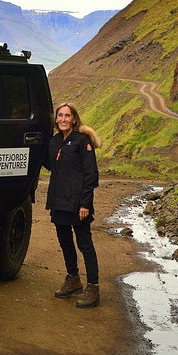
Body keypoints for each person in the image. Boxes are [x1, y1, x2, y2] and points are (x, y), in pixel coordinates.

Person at [43, 103, 102, 308]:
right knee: (65, 241)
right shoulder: (54, 141)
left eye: (67, 116)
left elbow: (91, 174)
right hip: (59, 200)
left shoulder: (82, 141)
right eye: (60, 115)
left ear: (74, 119)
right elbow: (50, 165)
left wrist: (85, 203)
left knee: (84, 244)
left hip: (77, 203)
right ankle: (73, 279)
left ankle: (93, 287)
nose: (63, 119)